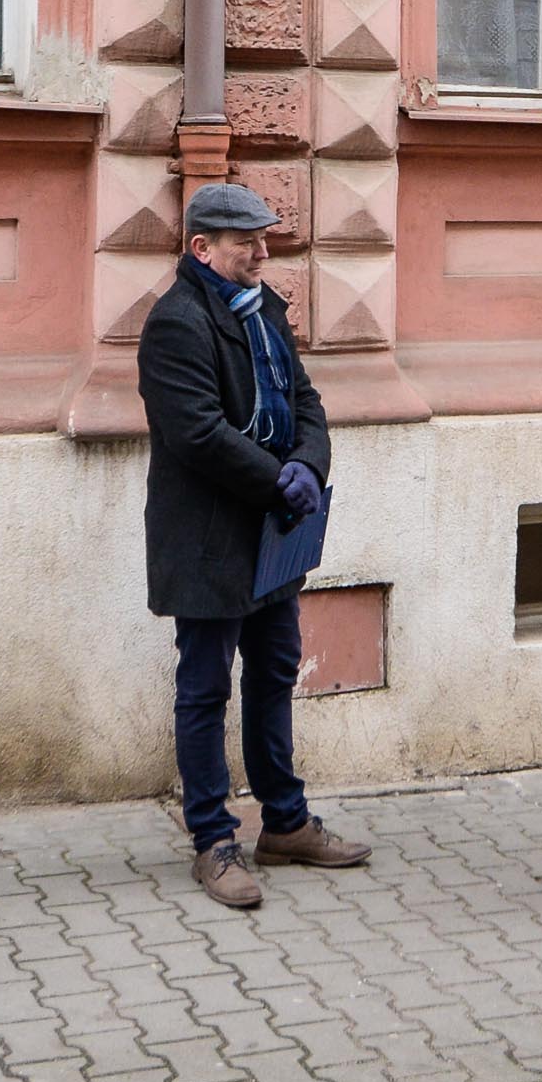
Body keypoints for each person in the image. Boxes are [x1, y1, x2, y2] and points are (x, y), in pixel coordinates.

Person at [137, 181, 370, 907]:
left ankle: (286, 823)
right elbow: (197, 433)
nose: (263, 252)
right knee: (204, 690)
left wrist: (309, 464)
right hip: (210, 535)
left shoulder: (264, 309)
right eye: (247, 242)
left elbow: (306, 402)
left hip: (272, 531)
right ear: (203, 248)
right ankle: (212, 840)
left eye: (265, 239)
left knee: (273, 673)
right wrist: (279, 480)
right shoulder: (176, 322)